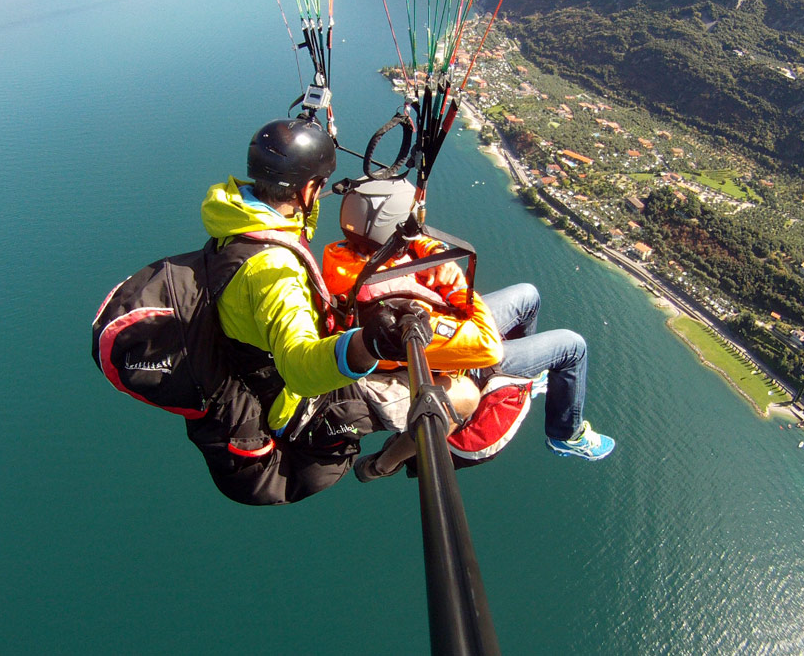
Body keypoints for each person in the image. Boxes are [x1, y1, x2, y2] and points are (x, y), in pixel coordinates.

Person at [193, 117, 427, 503]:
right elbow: (301, 370)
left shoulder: (237, 218)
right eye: (317, 189)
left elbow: (295, 230)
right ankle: (386, 464)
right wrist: (370, 344)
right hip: (292, 419)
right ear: (307, 189)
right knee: (463, 392)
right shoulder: (273, 271)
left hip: (249, 375)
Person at [324, 176, 615, 479]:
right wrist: (454, 284)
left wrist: (429, 250)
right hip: (441, 350)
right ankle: (566, 434)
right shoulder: (392, 305)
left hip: (433, 333)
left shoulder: (349, 254)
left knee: (528, 296)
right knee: (572, 347)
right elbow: (486, 346)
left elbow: (411, 240)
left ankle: (523, 379)